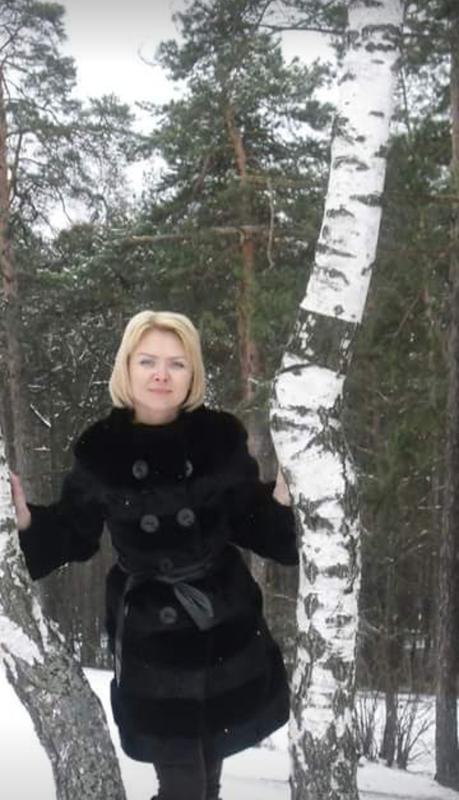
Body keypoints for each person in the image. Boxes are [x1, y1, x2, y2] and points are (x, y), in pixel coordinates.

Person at [10, 310, 298, 800]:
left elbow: (251, 519)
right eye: (147, 361)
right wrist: (25, 522)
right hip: (153, 640)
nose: (161, 374)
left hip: (224, 628)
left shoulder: (219, 438)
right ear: (127, 368)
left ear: (192, 374)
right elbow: (73, 533)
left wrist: (285, 498)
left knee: (207, 779)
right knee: (183, 786)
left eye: (176, 363)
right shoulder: (100, 450)